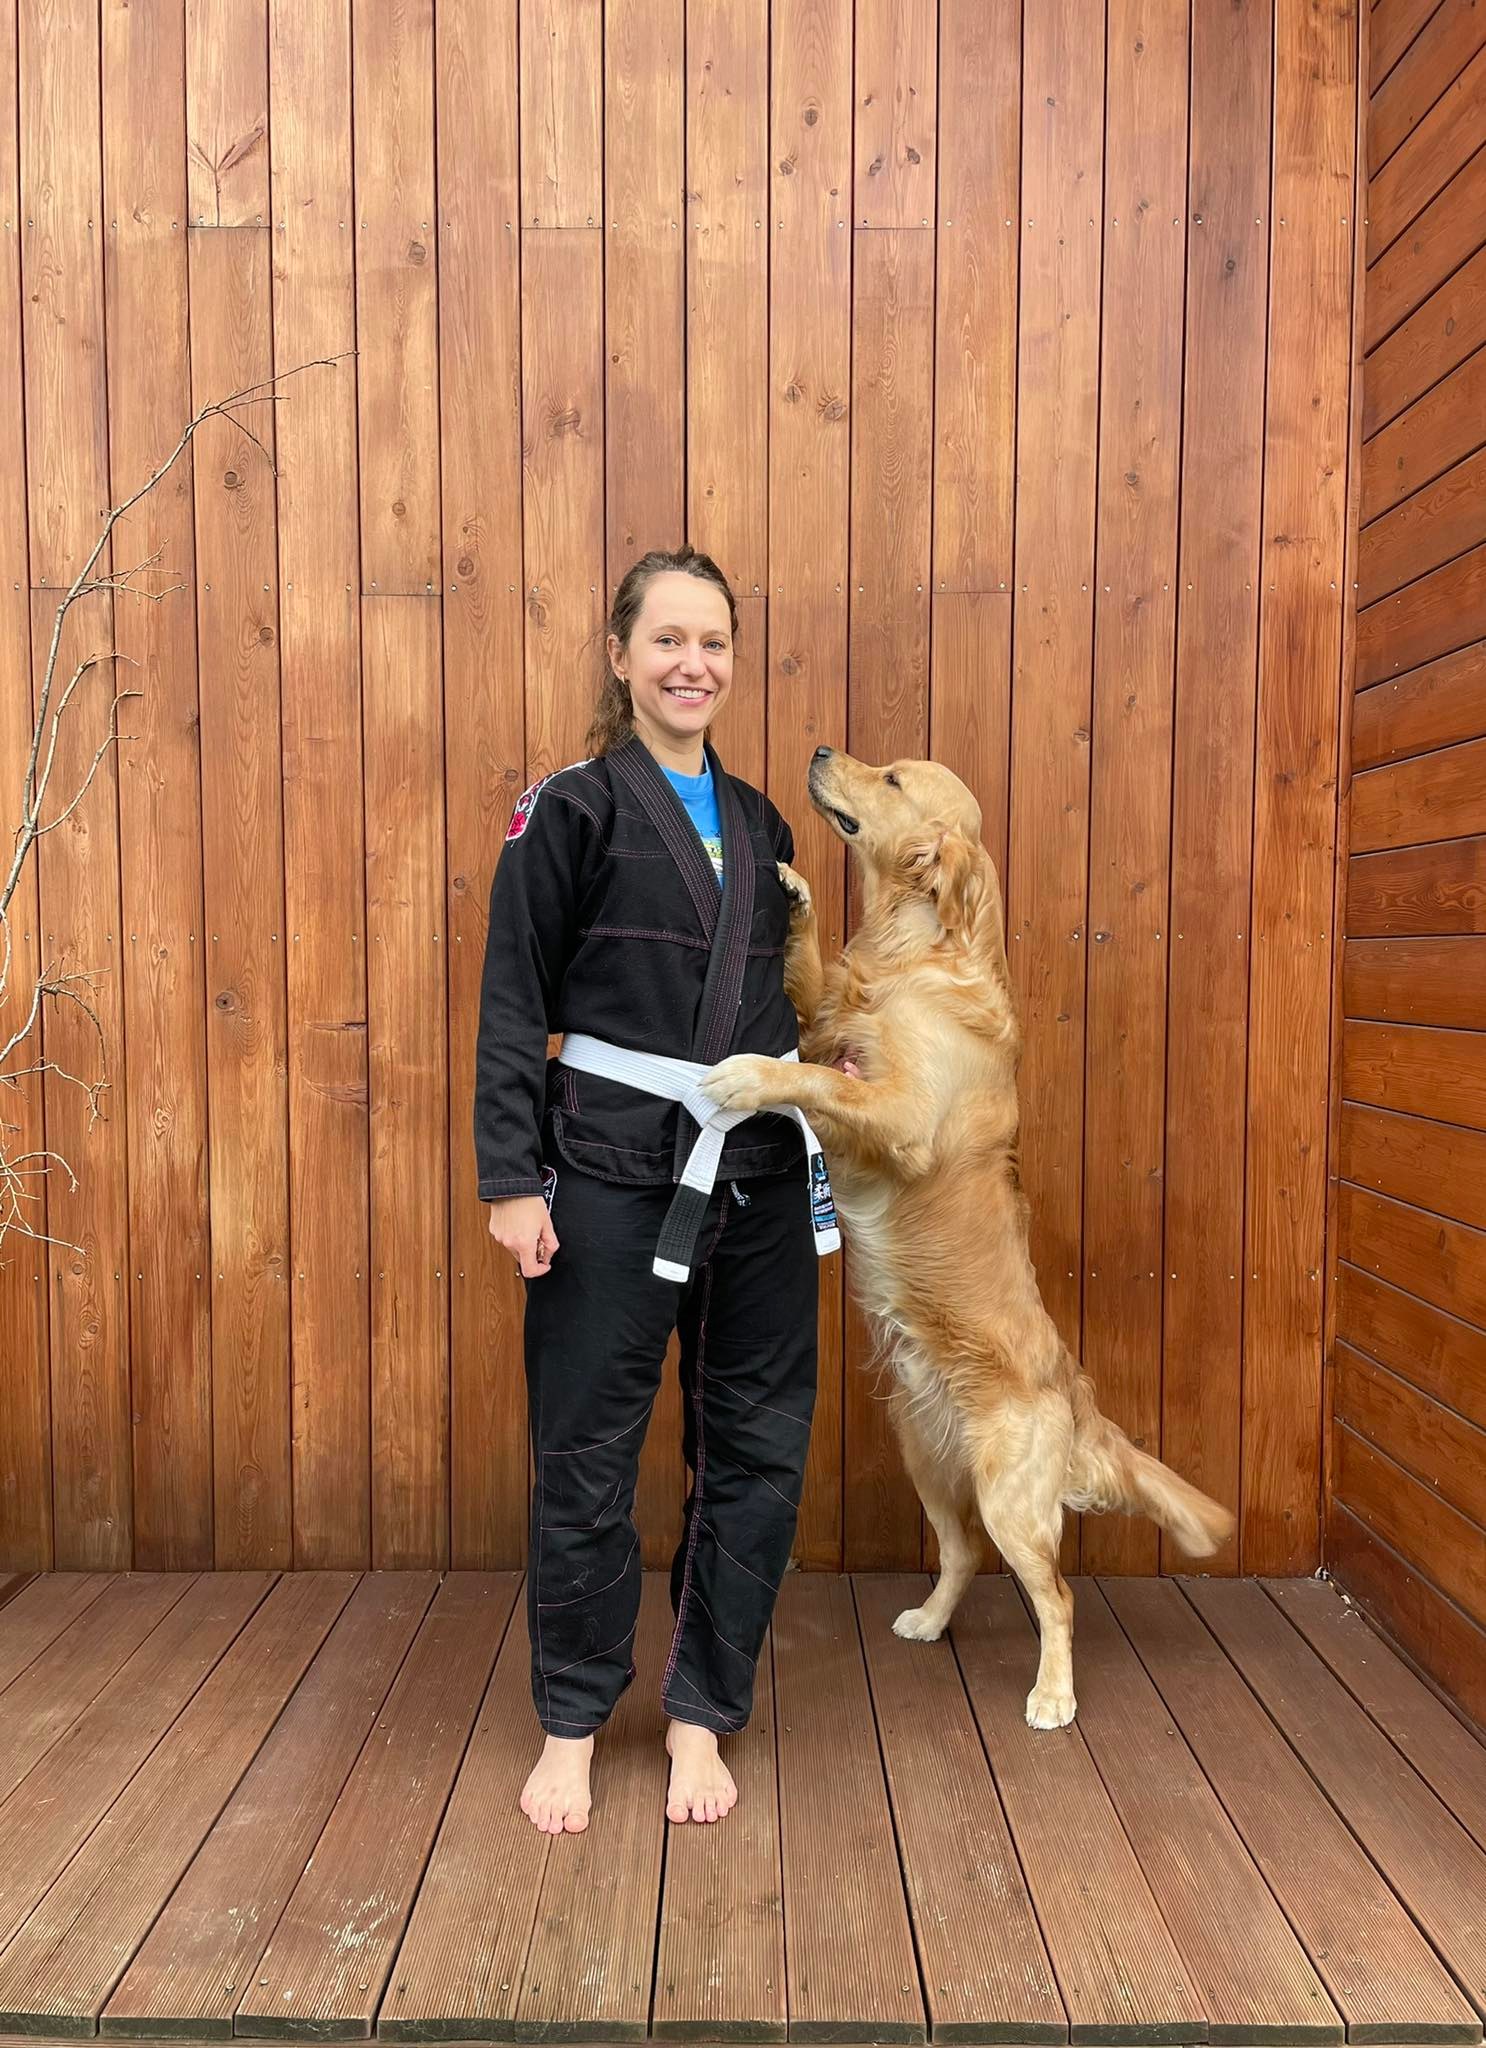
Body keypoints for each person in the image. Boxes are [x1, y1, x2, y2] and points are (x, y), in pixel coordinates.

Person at [475, 545, 831, 1836]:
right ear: (621, 657)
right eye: (668, 640)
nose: (694, 664)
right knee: (585, 1452)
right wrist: (513, 1180)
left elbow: (777, 1000)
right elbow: (515, 998)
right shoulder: (566, 809)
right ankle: (571, 1721)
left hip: (757, 1176)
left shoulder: (763, 827)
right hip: (611, 1171)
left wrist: (831, 1068)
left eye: (714, 642)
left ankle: (699, 1715)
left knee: (754, 1446)